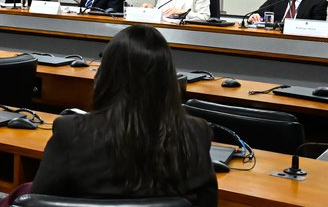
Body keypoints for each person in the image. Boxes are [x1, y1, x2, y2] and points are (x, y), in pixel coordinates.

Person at [27, 25, 217, 205]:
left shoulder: (71, 133)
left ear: (105, 75)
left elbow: (37, 202)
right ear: (169, 80)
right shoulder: (196, 134)